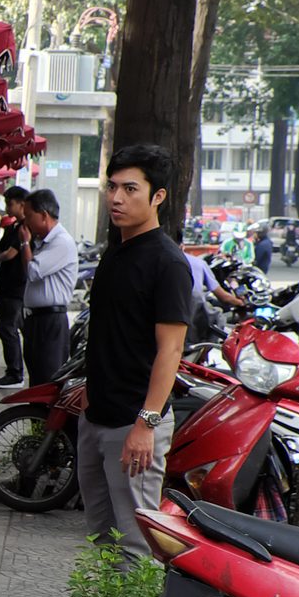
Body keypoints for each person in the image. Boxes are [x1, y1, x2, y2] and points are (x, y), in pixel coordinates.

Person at [76, 144, 193, 557]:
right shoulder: (115, 253)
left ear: (157, 195)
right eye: (112, 187)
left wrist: (146, 423)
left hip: (135, 424)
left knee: (136, 544)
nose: (116, 198)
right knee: (100, 536)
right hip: (96, 419)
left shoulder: (168, 262)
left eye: (130, 189)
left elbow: (171, 349)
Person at [17, 190, 76, 387]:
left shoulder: (61, 242)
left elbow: (33, 271)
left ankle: (45, 418)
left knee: (47, 380)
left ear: (43, 215)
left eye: (28, 216)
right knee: (36, 377)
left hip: (51, 320)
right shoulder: (43, 242)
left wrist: (24, 242)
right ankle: (36, 418)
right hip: (36, 319)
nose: (25, 221)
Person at [0, 185, 30, 386]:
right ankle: (16, 370)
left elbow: (9, 254)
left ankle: (15, 373)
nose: (7, 207)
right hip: (7, 286)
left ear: (22, 204)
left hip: (16, 287)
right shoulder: (13, 227)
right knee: (11, 328)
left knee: (8, 328)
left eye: (10, 203)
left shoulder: (25, 228)